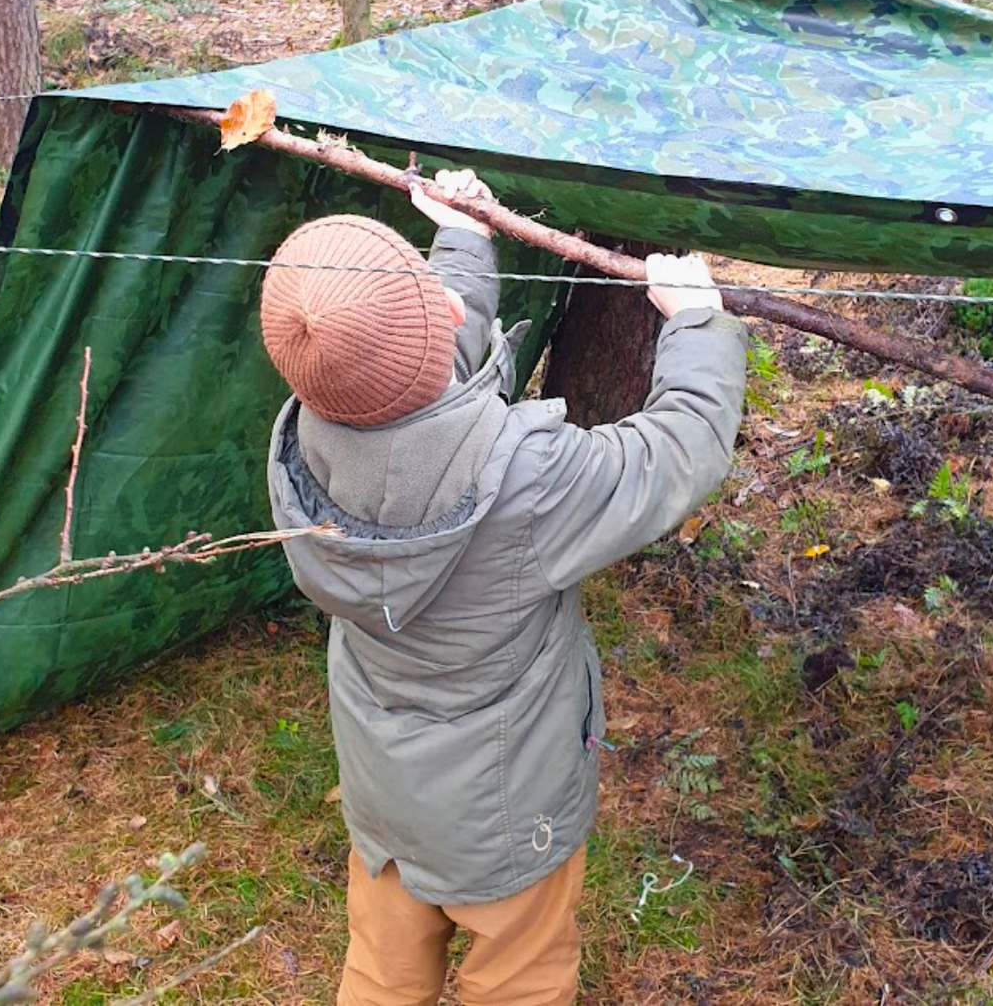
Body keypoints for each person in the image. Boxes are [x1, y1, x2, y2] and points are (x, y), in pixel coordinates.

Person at [260, 169, 748, 1006]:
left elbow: (408, 367)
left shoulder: (310, 432)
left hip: (385, 786)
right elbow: (675, 454)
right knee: (518, 978)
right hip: (504, 806)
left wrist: (462, 237)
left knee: (381, 969)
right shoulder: (529, 480)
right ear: (440, 319)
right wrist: (697, 325)